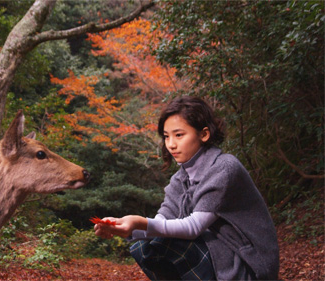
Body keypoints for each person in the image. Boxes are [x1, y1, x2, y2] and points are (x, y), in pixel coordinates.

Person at [94, 96, 279, 280]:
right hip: (217, 255)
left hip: (248, 264)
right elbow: (162, 222)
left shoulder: (224, 167)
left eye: (179, 135)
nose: (171, 144)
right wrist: (123, 227)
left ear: (204, 134)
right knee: (144, 247)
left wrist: (141, 222)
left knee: (165, 244)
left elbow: (193, 227)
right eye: (166, 137)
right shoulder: (180, 179)